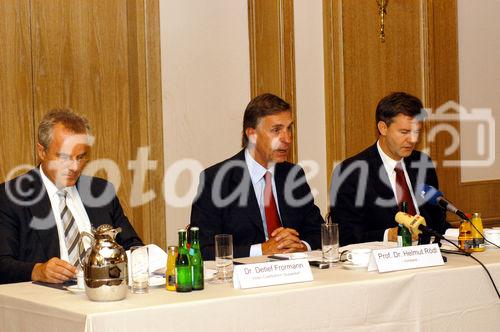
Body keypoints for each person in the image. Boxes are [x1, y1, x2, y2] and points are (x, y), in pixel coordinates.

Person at [0, 109, 143, 284]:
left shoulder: (100, 191)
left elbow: (134, 248)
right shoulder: (10, 197)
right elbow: (3, 263)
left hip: (104, 294)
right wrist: (37, 270)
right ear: (41, 151)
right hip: (47, 301)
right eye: (65, 157)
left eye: (81, 157)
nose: (75, 167)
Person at [191, 93, 323, 260]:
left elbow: (319, 232)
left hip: (293, 274)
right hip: (242, 280)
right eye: (276, 130)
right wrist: (262, 250)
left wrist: (301, 246)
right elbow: (203, 250)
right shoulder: (216, 180)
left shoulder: (293, 175)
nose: (287, 138)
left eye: (289, 128)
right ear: (251, 134)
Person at [330, 92, 450, 246]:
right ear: (383, 128)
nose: (412, 140)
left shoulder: (422, 163)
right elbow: (347, 235)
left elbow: (437, 221)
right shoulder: (350, 173)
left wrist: (458, 232)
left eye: (417, 132)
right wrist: (389, 234)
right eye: (404, 132)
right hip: (381, 262)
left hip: (428, 253)